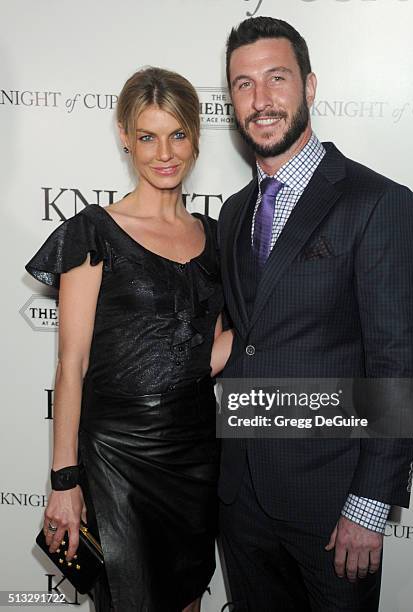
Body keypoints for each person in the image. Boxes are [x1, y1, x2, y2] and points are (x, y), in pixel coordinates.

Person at [217, 17, 413, 611]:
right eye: (243, 84)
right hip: (241, 500)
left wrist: (369, 505)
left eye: (276, 78)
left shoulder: (378, 203)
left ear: (309, 86)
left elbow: (397, 364)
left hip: (334, 504)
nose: (260, 100)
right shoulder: (234, 213)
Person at [26, 66, 231, 612]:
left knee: (186, 598)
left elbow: (201, 357)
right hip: (116, 456)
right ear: (124, 134)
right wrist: (64, 482)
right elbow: (71, 365)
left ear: (195, 136)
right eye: (147, 136)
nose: (163, 152)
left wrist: (264, 333)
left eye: (177, 134)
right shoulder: (93, 230)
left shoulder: (215, 238)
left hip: (193, 454)